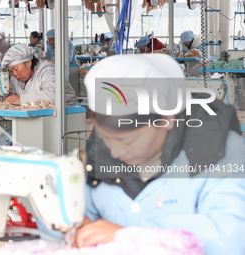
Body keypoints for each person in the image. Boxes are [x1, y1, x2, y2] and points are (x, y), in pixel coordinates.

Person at [71, 54, 245, 255]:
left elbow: (233, 237)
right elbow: (81, 214)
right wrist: (73, 225)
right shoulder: (99, 155)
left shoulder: (221, 151)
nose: (115, 151)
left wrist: (132, 237)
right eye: (106, 138)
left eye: (126, 140)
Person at [2, 43, 76, 106]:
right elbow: (11, 93)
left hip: (64, 113)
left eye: (16, 69)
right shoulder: (16, 78)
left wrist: (21, 99)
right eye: (11, 71)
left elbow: (55, 95)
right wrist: (7, 97)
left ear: (28, 63)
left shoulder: (48, 70)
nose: (14, 74)